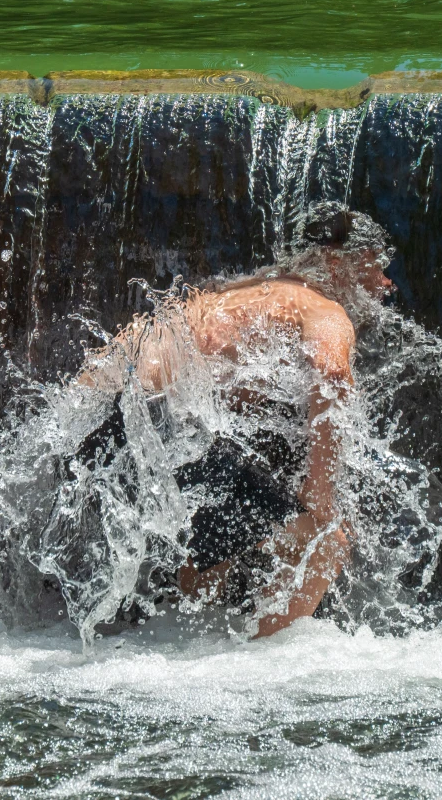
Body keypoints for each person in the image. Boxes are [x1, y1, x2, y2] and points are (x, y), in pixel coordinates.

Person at [73, 210, 395, 637]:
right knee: (324, 544)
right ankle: (259, 671)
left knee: (213, 551)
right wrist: (320, 496)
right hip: (151, 425)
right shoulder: (322, 308)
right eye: (377, 266)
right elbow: (331, 375)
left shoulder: (227, 295)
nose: (385, 285)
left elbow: (102, 375)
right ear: (337, 264)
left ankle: (184, 651)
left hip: (92, 429)